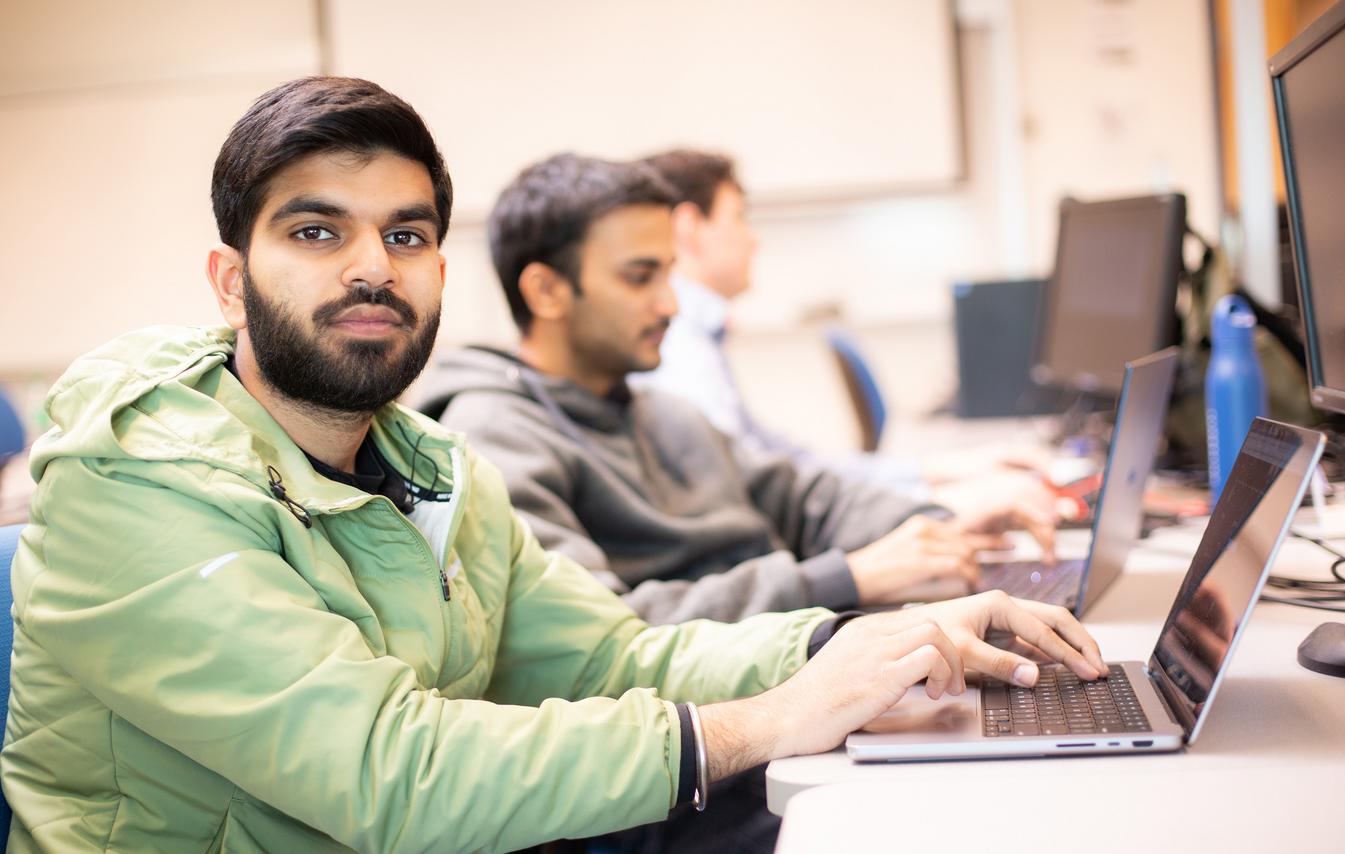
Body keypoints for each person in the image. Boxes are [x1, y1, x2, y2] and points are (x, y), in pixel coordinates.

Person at [1, 78, 1106, 854]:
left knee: (889, 808)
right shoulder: (133, 478)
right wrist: (768, 718)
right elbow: (388, 771)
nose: (371, 269)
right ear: (231, 279)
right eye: (316, 233)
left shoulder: (430, 467)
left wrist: (858, 644)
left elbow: (607, 656)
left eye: (406, 233)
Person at [431, 153, 1056, 627]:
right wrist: (845, 579)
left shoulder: (659, 410)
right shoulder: (496, 440)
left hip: (792, 657)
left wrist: (933, 526)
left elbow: (805, 497)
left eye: (669, 275)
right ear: (546, 291)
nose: (670, 304)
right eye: (640, 277)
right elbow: (605, 630)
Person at [634, 149, 1053, 499]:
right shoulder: (678, 349)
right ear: (689, 227)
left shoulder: (698, 340)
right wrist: (939, 500)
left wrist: (935, 471)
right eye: (739, 217)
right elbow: (754, 493)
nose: (754, 238)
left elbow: (789, 465)